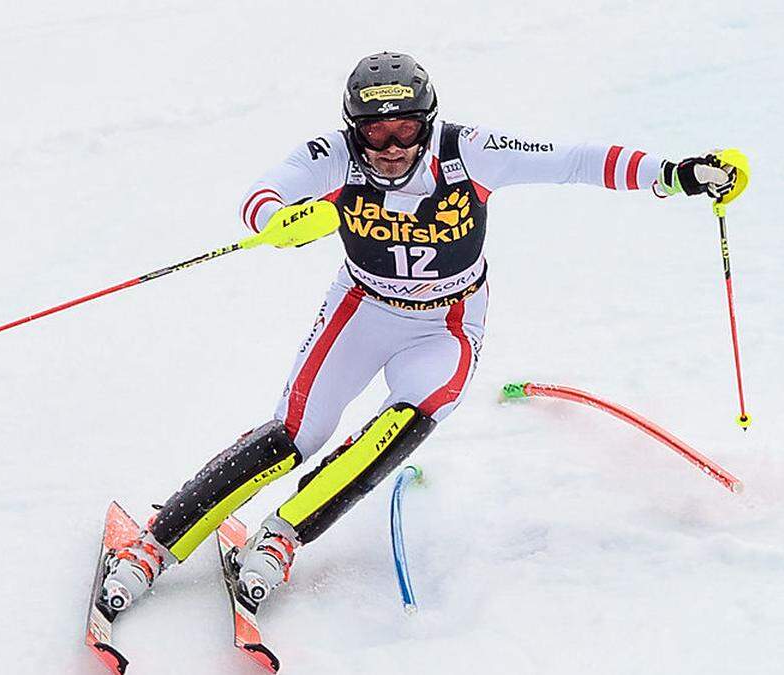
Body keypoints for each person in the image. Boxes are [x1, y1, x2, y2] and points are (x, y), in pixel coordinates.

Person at [101, 51, 739, 610]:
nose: (392, 145)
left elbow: (573, 161)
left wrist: (675, 174)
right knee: (299, 434)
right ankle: (155, 544)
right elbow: (265, 191)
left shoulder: (469, 151)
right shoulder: (335, 155)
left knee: (405, 422)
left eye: (406, 126)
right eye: (376, 130)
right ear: (357, 129)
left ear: (427, 121)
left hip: (446, 323)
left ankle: (283, 537)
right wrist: (278, 219)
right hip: (361, 311)